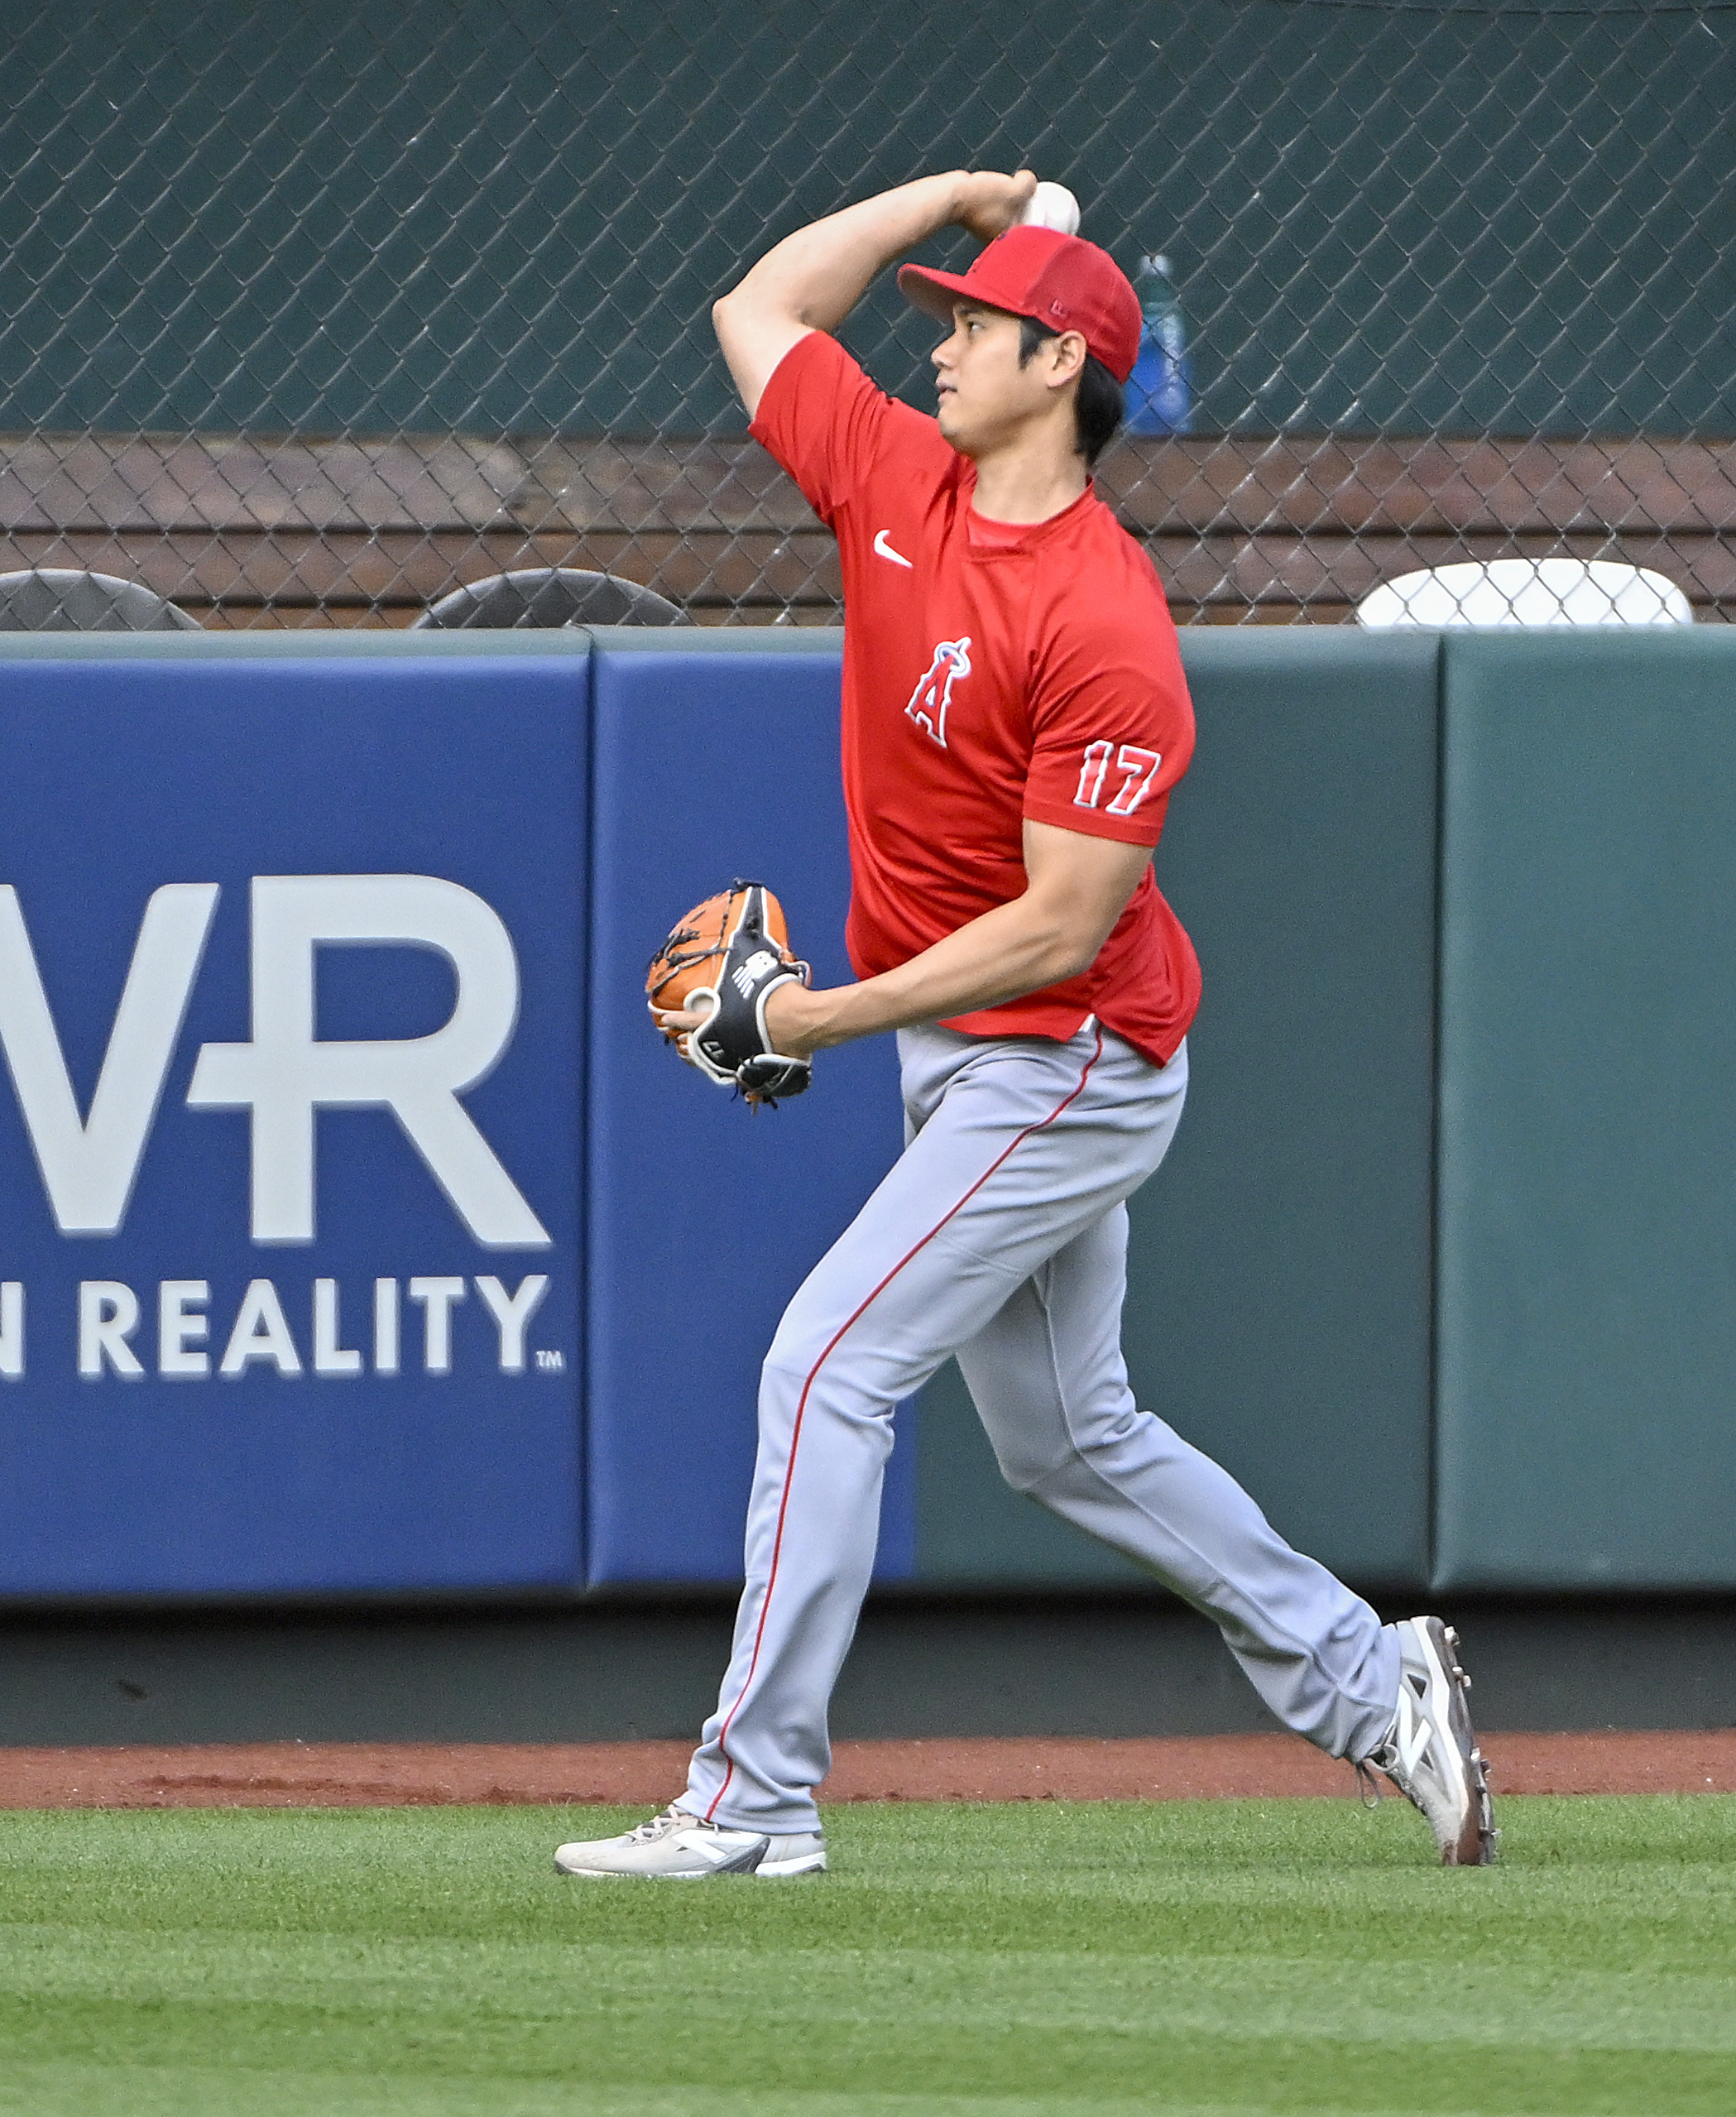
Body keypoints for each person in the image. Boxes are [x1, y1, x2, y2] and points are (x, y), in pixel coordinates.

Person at [555, 166, 1494, 1879]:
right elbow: (759, 309)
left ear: (1059, 364)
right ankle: (1379, 1688)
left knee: (822, 1368)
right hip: (969, 1053)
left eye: (974, 324)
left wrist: (822, 1015)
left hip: (1070, 1060)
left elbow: (1062, 925)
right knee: (1071, 1437)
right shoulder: (896, 477)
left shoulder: (1103, 616)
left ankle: (749, 1803)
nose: (940, 351)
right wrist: (957, 196)